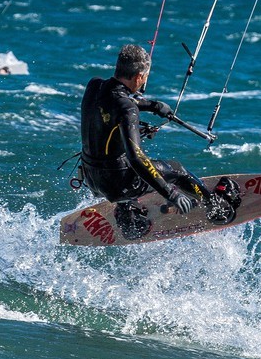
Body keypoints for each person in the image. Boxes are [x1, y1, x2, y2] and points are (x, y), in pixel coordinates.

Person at [79, 43, 236, 237]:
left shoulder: (94, 86)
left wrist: (152, 105)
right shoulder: (128, 110)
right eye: (145, 76)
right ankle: (216, 208)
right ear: (139, 76)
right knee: (177, 170)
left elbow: (114, 99)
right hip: (119, 184)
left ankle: (128, 215)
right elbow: (136, 158)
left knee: (119, 160)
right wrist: (171, 193)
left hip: (93, 180)